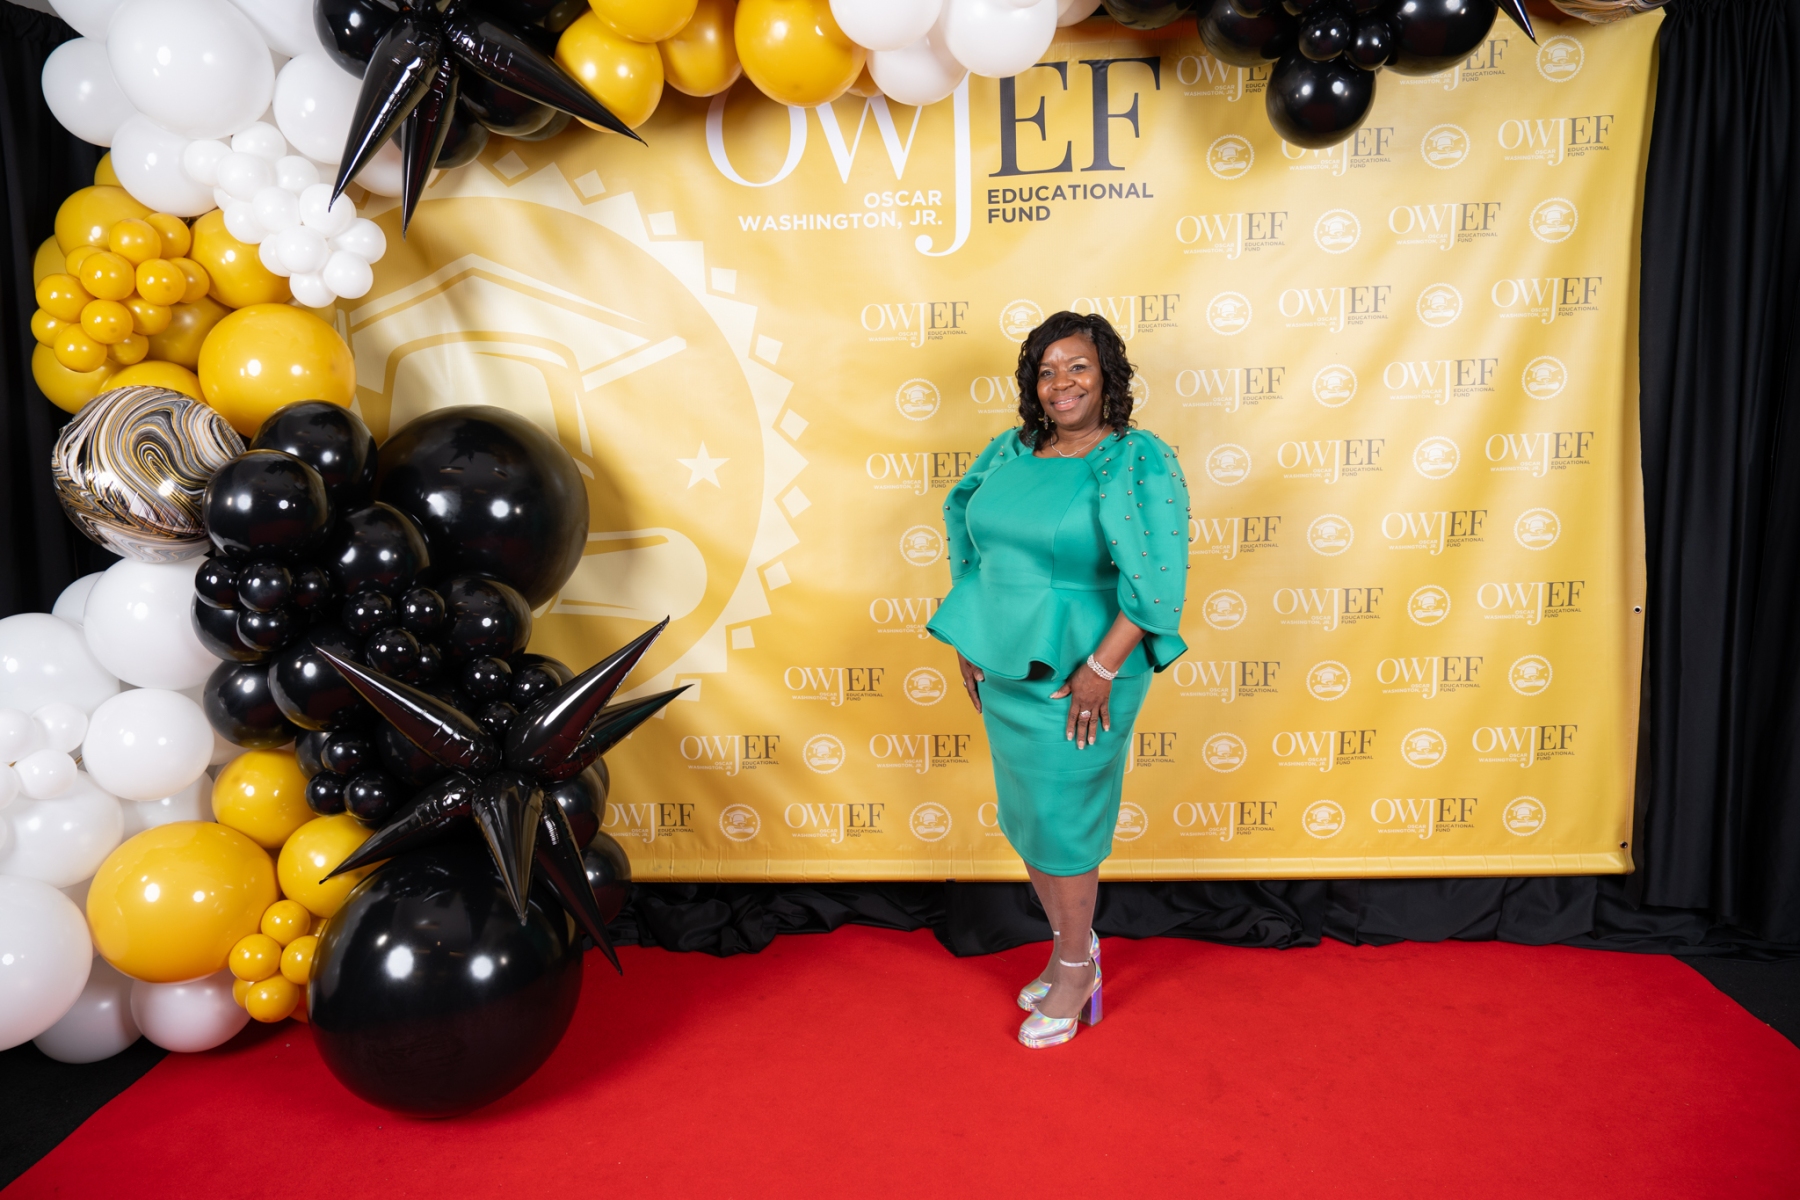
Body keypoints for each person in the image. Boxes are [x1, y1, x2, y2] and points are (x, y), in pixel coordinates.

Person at [928, 311, 1189, 1049]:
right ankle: (1069, 948)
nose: (1061, 383)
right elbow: (971, 536)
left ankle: (1077, 971)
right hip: (1007, 666)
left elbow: (1158, 582)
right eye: (1046, 371)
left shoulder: (1137, 458)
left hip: (1085, 671)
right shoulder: (1011, 449)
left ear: (1107, 375)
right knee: (1032, 821)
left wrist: (1102, 668)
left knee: (1066, 826)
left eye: (1077, 366)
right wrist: (971, 631)